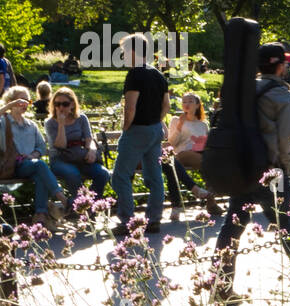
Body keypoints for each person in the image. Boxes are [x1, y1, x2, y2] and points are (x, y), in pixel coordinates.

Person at [212, 43, 290, 306]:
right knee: (284, 224)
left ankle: (221, 286)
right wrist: (285, 169)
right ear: (279, 66)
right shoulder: (283, 96)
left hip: (240, 167)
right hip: (271, 169)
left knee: (232, 226)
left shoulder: (241, 91)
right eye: (285, 63)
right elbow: (286, 139)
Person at [0, 86, 67, 231]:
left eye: (27, 101)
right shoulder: (3, 123)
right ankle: (62, 198)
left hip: (30, 165)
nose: (25, 104)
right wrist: (9, 106)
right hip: (11, 167)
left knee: (39, 172)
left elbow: (41, 147)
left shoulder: (31, 125)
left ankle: (40, 215)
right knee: (40, 166)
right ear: (10, 102)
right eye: (20, 100)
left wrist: (32, 155)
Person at [110, 33, 168, 236]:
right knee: (154, 176)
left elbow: (130, 106)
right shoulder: (158, 74)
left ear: (132, 51)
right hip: (154, 130)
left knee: (120, 176)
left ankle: (127, 221)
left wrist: (126, 127)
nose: (123, 56)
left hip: (137, 130)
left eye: (124, 52)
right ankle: (154, 220)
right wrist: (156, 121)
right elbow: (166, 105)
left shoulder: (135, 74)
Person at [46, 86, 111, 202]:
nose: (61, 107)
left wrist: (91, 151)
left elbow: (89, 139)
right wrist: (61, 124)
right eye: (57, 104)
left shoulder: (81, 118)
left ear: (72, 104)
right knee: (73, 173)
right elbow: (60, 145)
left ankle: (93, 204)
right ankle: (79, 204)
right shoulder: (50, 123)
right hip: (61, 159)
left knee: (103, 174)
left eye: (65, 104)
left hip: (80, 157)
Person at [163, 92, 221, 219]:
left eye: (190, 101)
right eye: (184, 102)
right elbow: (171, 143)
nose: (186, 104)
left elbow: (206, 143)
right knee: (208, 164)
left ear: (197, 105)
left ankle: (208, 202)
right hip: (181, 154)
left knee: (210, 164)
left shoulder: (203, 124)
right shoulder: (176, 120)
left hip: (198, 154)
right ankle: (211, 201)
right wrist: (180, 125)